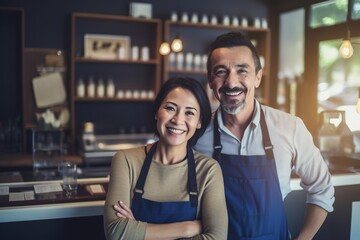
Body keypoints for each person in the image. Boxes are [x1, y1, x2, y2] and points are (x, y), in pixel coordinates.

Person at [194, 31, 335, 240]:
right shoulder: (196, 133)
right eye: (221, 71)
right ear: (211, 80)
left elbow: (322, 189)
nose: (231, 82)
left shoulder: (290, 127)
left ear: (258, 77)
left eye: (242, 70)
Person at [104, 77, 228, 240]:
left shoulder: (209, 170)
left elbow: (217, 237)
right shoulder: (125, 161)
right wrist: (186, 229)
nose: (177, 120)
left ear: (199, 122)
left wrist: (137, 232)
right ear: (157, 112)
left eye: (189, 112)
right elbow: (116, 232)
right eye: (170, 108)